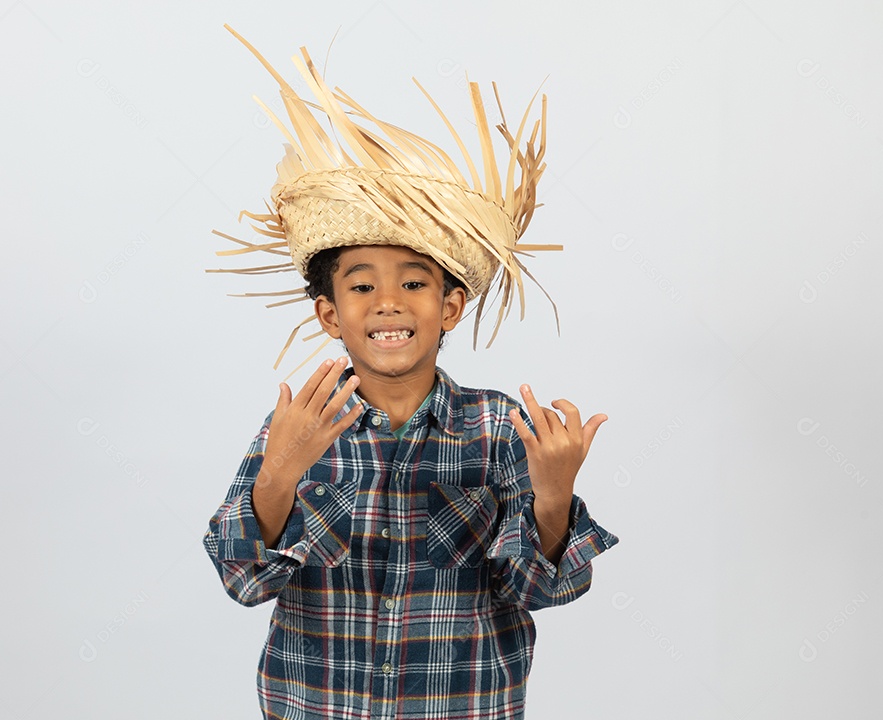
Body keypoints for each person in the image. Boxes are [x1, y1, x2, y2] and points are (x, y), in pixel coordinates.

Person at [203, 25, 620, 719]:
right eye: (361, 286)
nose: (389, 303)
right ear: (331, 316)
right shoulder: (298, 429)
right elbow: (244, 580)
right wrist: (280, 473)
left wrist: (554, 496)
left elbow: (543, 590)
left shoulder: (498, 430)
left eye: (415, 284)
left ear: (451, 306)